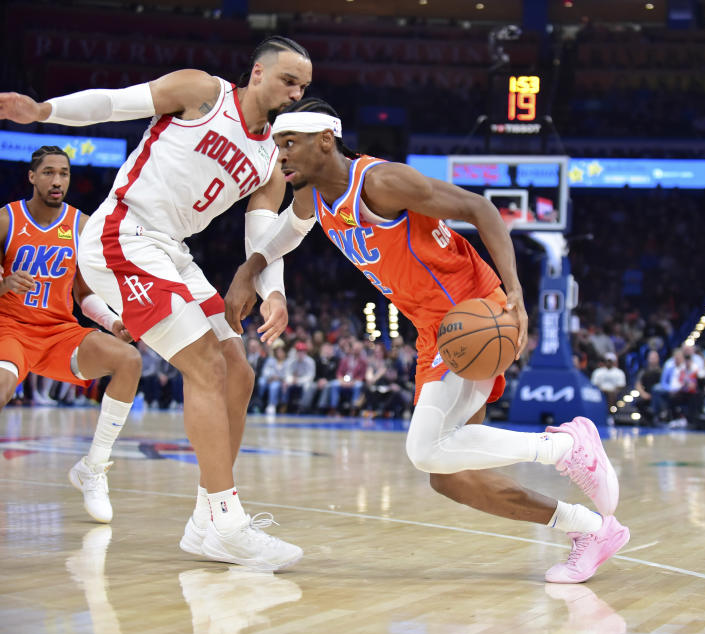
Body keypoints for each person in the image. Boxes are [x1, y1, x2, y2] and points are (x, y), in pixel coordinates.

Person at [226, 98, 630, 583]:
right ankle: (589, 529)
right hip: (432, 329)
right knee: (450, 477)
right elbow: (286, 234)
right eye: (277, 146)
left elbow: (479, 208)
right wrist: (251, 272)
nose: (281, 156)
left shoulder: (381, 182)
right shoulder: (313, 196)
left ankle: (565, 447)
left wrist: (517, 292)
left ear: (325, 141)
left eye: (289, 144)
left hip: (471, 314)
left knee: (424, 450)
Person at [0, 36, 312, 570]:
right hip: (125, 233)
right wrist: (43, 111)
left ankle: (206, 523)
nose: (295, 93)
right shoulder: (203, 92)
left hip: (172, 251)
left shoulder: (270, 160)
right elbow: (113, 103)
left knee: (239, 372)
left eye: (304, 88)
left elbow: (262, 234)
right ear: (257, 72)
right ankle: (225, 518)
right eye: (289, 80)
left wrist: (273, 291)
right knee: (205, 364)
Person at [0, 146, 142, 523]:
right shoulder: (6, 219)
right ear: (32, 177)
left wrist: (113, 322)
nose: (57, 180)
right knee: (1, 387)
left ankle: (92, 468)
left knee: (128, 360)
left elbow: (83, 292)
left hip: (58, 331)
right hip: (10, 328)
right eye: (48, 172)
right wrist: (4, 284)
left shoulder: (81, 225)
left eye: (63, 173)